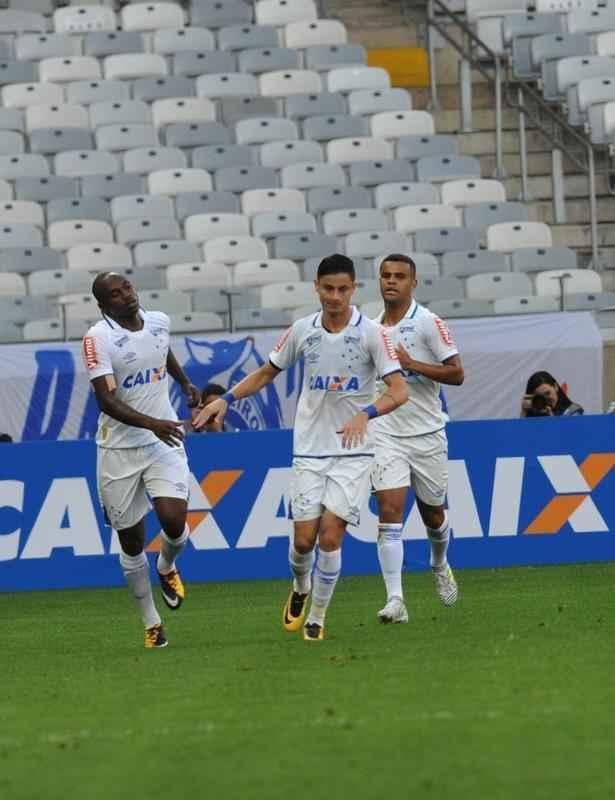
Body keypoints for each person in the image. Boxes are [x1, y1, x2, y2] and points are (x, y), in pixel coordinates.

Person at [193, 254, 409, 641]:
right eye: (328, 289)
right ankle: (300, 586)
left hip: (353, 450)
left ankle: (318, 618)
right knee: (303, 541)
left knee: (330, 536)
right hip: (309, 448)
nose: (335, 297)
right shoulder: (302, 330)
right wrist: (226, 398)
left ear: (353, 289)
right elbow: (265, 373)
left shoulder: (371, 334)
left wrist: (366, 413)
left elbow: (399, 391)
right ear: (317, 288)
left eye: (343, 289)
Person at [82, 271, 200, 649]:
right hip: (119, 450)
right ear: (104, 306)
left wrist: (183, 382)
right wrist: (152, 423)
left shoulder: (160, 321)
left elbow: (161, 350)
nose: (125, 296)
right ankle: (152, 623)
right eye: (115, 295)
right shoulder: (97, 338)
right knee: (132, 544)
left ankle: (166, 565)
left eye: (127, 287)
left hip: (162, 440)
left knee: (174, 521)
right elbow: (106, 400)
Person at [370, 254, 465, 624]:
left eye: (399, 276)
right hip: (386, 432)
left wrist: (411, 364)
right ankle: (396, 600)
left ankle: (439, 563)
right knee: (389, 513)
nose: (391, 281)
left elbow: (457, 374)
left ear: (413, 282)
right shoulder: (370, 327)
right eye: (385, 276)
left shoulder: (428, 323)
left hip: (426, 433)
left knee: (433, 514)